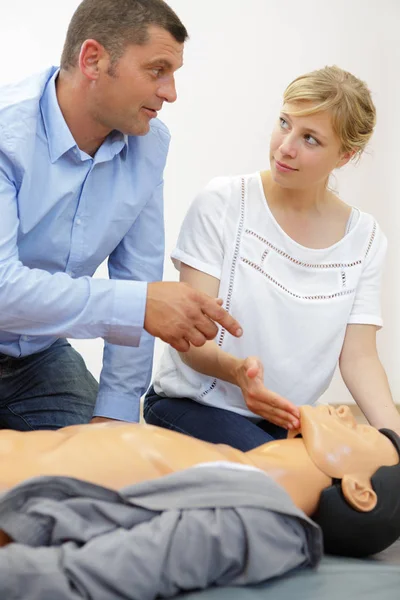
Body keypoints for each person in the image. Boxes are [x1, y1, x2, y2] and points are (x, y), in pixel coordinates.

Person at [0, 0, 242, 431]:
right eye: (157, 69)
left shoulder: (148, 145)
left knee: (108, 479)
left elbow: (138, 278)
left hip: (37, 358)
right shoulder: (6, 134)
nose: (170, 92)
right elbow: (3, 290)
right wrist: (141, 305)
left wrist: (115, 417)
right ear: (93, 59)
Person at [144, 65, 400, 450]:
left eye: (310, 139)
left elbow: (360, 358)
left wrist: (394, 440)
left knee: (360, 494)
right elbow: (192, 341)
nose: (285, 146)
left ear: (345, 155)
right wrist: (238, 373)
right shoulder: (224, 203)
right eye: (285, 123)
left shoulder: (364, 239)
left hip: (286, 422)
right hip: (193, 405)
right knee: (290, 485)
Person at [0, 403, 398, 559]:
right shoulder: (227, 465)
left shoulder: (240, 519)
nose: (347, 414)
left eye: (362, 433)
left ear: (359, 491)